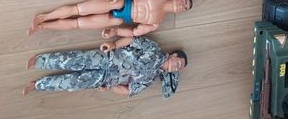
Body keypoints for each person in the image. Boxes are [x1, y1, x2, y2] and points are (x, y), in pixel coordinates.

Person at [23, 36, 187, 98]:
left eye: (179, 68)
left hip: (105, 79)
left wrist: (110, 87)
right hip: (106, 59)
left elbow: (128, 91)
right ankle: (40, 61)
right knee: (72, 59)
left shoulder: (150, 79)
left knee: (71, 83)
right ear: (173, 55)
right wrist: (114, 45)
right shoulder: (154, 49)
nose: (177, 67)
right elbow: (132, 39)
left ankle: (38, 85)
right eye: (179, 62)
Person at [27, 0, 192, 37]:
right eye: (184, 2)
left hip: (117, 20)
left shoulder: (157, 23)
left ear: (180, 12)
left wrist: (116, 32)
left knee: (78, 23)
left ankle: (42, 26)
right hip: (119, 3)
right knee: (78, 9)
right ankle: (44, 16)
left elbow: (134, 32)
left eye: (185, 8)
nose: (182, 5)